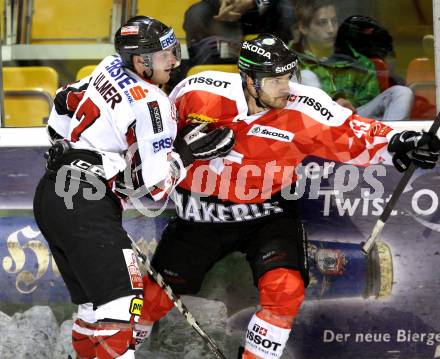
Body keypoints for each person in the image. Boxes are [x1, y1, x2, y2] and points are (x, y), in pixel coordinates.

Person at [137, 34, 440, 358]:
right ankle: (119, 351)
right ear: (250, 80)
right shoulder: (198, 92)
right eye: (274, 79)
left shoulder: (305, 106)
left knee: (285, 290)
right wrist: (179, 150)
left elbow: (359, 135)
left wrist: (404, 142)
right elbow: (151, 137)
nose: (285, 87)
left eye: (287, 76)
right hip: (199, 215)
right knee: (152, 298)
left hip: (268, 214)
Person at [33, 15, 234, 359]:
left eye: (174, 50)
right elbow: (155, 191)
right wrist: (185, 153)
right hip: (86, 203)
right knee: (123, 305)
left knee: (93, 308)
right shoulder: (154, 103)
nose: (175, 61)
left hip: (51, 193)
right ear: (141, 61)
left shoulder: (108, 64)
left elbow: (63, 103)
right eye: (165, 55)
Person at [293, 0, 414, 121]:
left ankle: (391, 138)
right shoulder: (287, 57)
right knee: (306, 76)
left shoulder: (359, 62)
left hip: (354, 121)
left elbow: (369, 100)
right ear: (303, 27)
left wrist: (346, 106)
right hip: (311, 123)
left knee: (401, 93)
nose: (331, 29)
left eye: (334, 21)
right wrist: (333, 103)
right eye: (322, 23)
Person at [183, 0, 295, 66]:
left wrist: (253, 3)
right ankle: (201, 74)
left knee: (287, 8)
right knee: (196, 13)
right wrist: (223, 2)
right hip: (222, 13)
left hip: (266, 16)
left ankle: (281, 67)